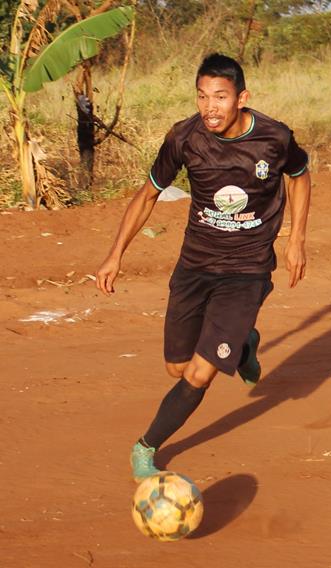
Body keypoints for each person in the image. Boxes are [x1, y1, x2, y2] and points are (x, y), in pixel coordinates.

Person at [95, 53, 311, 481]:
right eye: (202, 96)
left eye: (220, 97)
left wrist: (297, 239)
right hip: (195, 265)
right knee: (177, 367)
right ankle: (245, 342)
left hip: (247, 270)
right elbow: (147, 195)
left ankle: (146, 447)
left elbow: (300, 175)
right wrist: (115, 253)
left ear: (241, 98)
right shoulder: (184, 138)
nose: (210, 107)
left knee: (199, 372)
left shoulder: (274, 137)